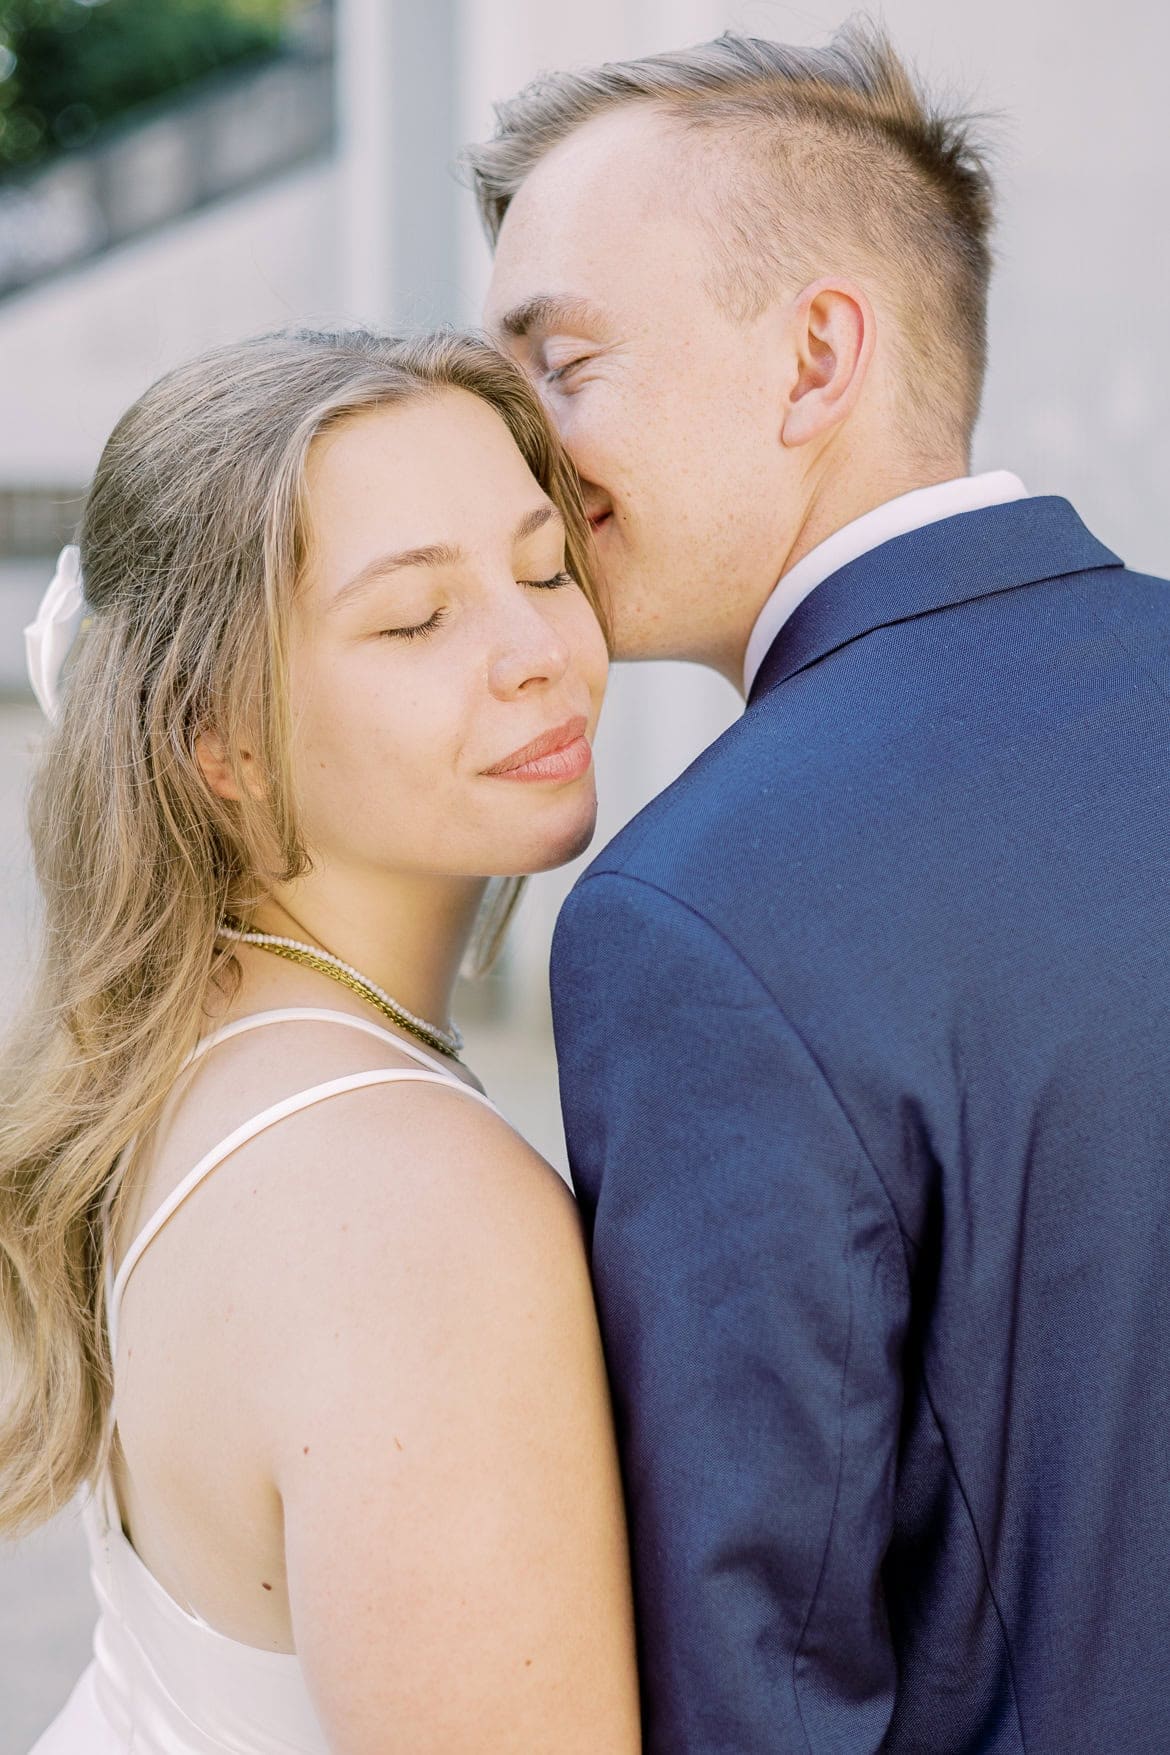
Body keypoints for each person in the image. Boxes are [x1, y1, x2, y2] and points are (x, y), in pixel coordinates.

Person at [470, 21, 1170, 1752]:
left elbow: (757, 1684)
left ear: (814, 359)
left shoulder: (698, 911)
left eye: (561, 364)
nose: (524, 459)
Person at [0, 328, 640, 1754]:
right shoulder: (408, 1201)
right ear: (216, 737)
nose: (538, 652)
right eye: (416, 619)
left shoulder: (199, 1050)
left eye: (543, 570)